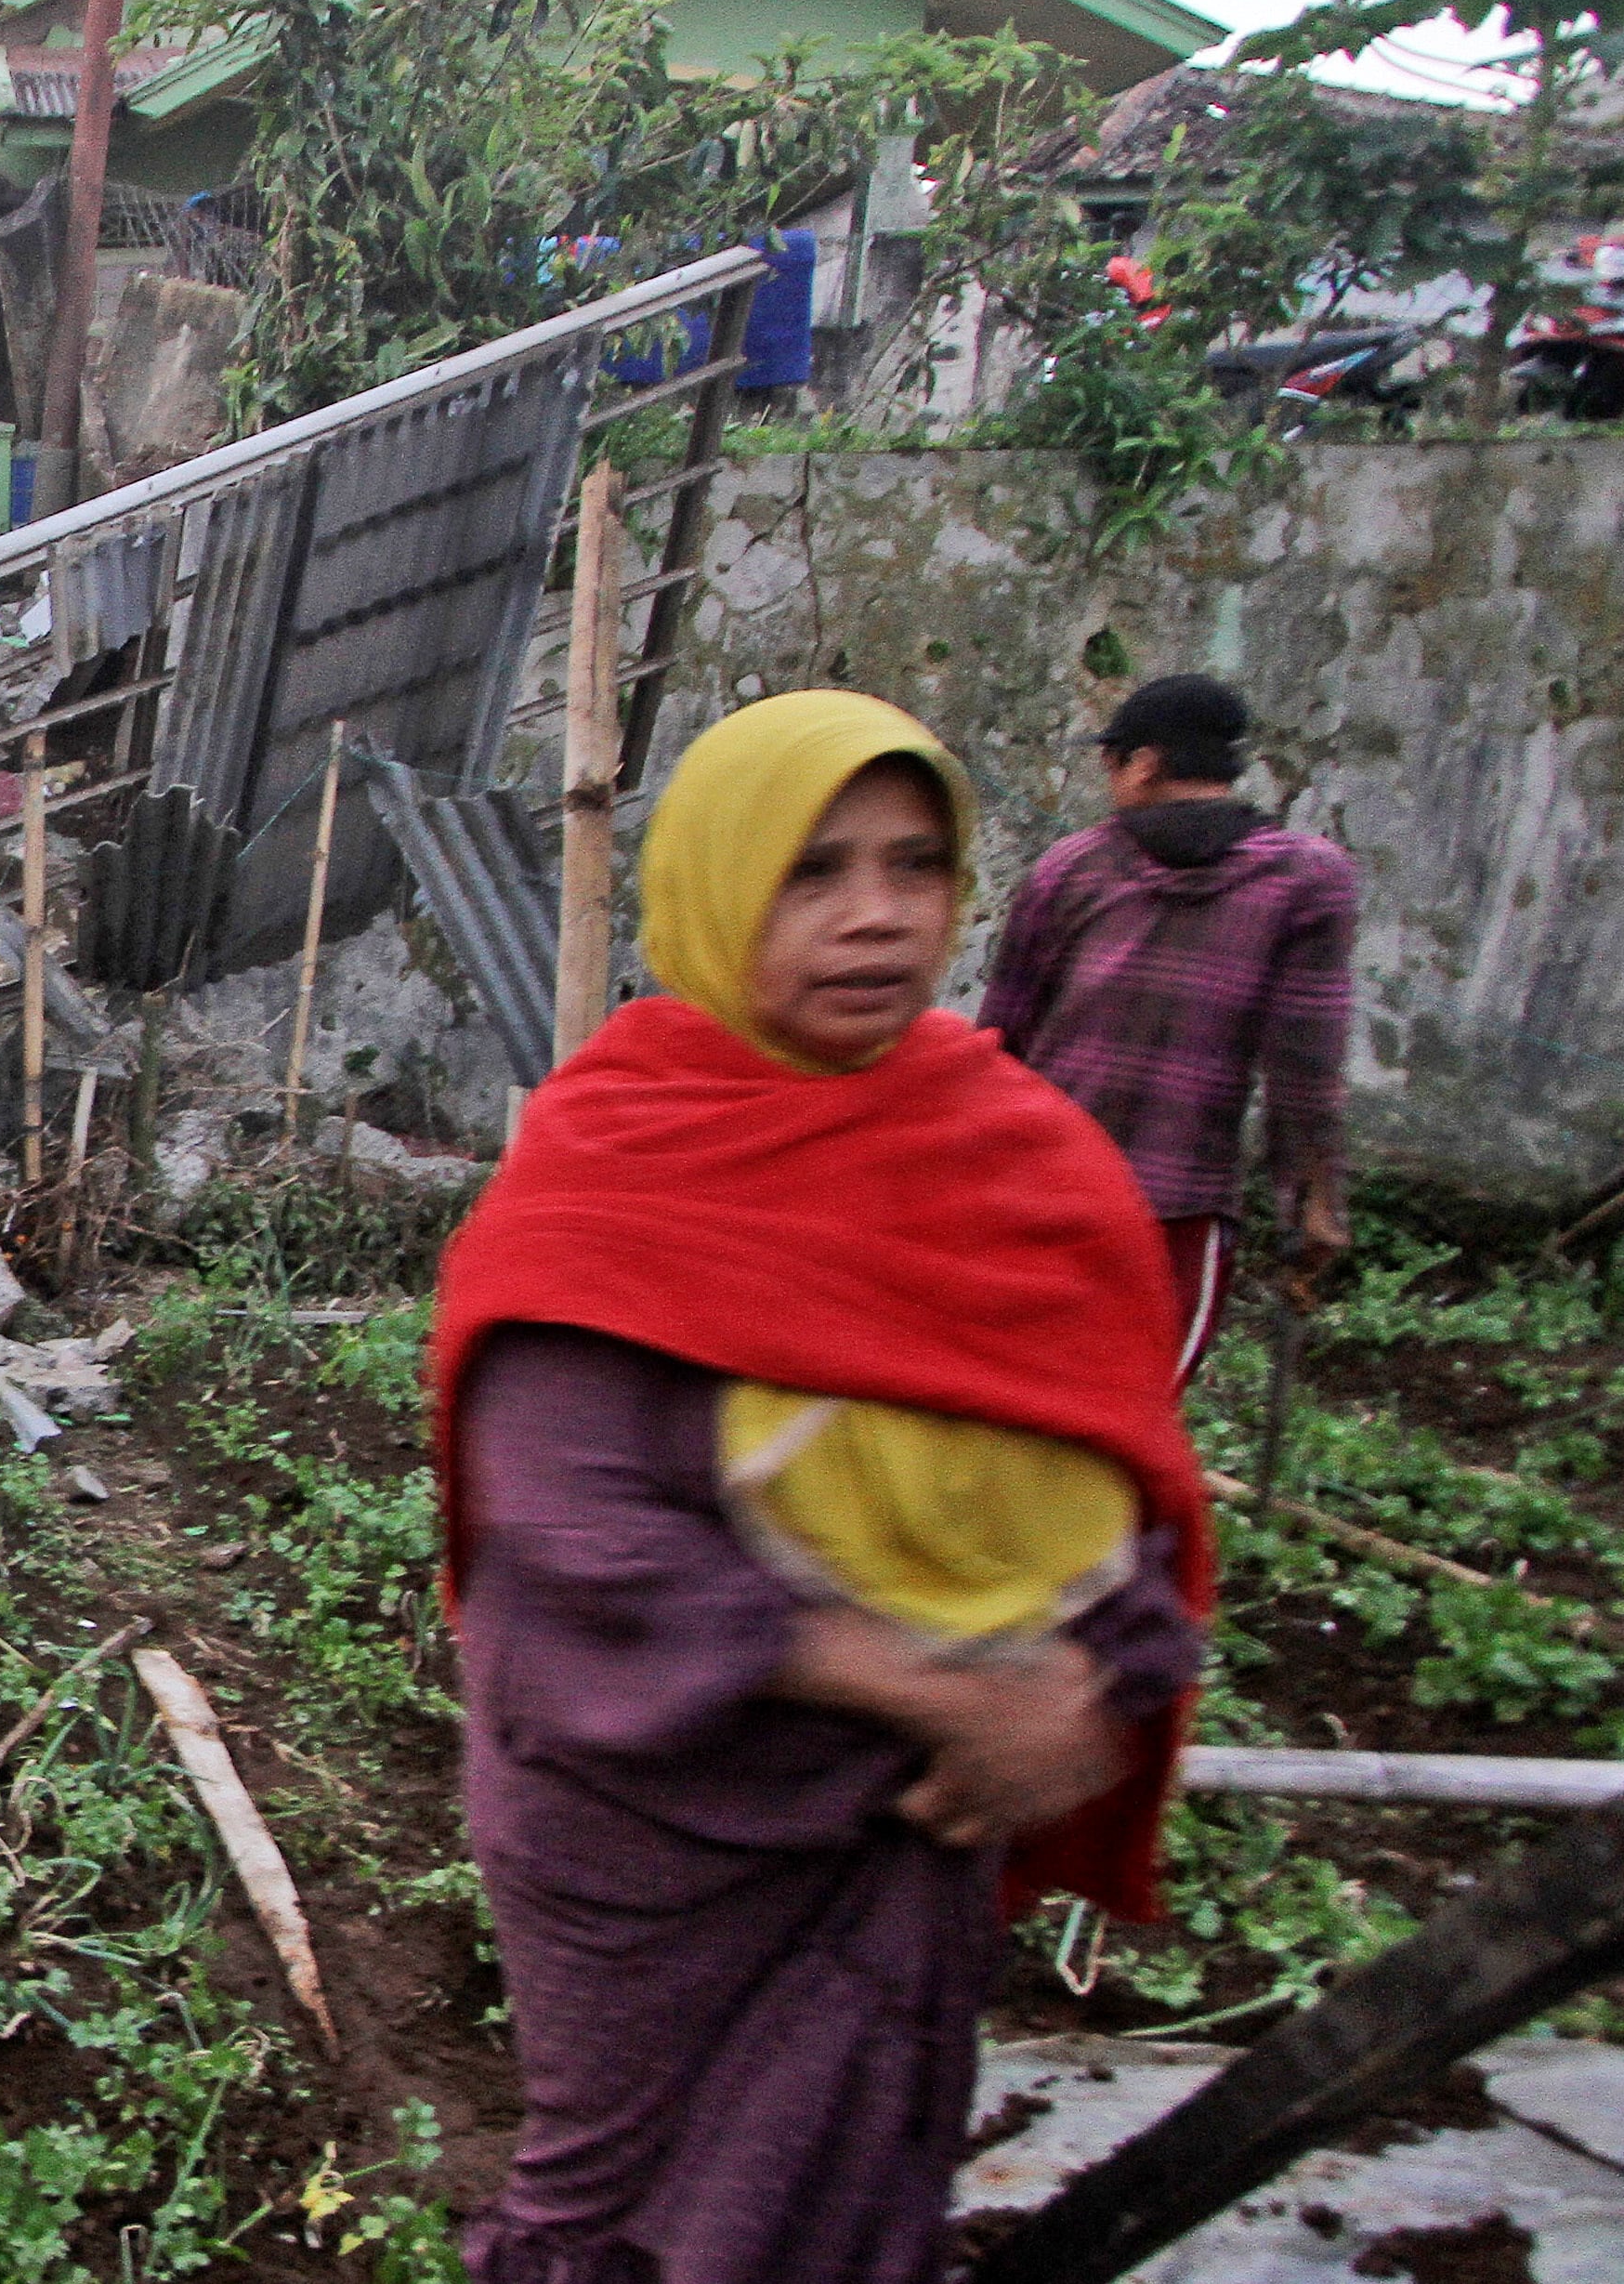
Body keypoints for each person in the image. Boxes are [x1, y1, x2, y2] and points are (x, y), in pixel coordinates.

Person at [429, 690, 1215, 2284]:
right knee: (613, 2199)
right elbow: (575, 1533)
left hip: (909, 1816)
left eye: (913, 865)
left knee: (854, 2170)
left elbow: (1105, 1449)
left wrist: (1090, 1679)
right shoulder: (621, 1154)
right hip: (652, 1820)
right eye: (810, 869)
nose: (873, 915)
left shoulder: (1013, 1155)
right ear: (718, 884)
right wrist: (943, 1693)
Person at [979, 675, 1358, 1381]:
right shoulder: (1308, 880)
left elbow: (1003, 1041)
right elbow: (1306, 1064)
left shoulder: (1071, 869)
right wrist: (1312, 1203)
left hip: (1046, 1191)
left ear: (1145, 764)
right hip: (1179, 1206)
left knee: (1012, 1385)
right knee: (1139, 1408)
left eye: (1112, 761)